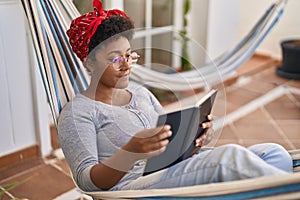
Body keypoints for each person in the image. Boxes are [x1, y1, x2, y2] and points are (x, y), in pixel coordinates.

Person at [58, 0, 293, 192]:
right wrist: (130, 153)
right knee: (229, 159)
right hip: (132, 187)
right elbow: (86, 181)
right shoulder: (78, 113)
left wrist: (195, 137)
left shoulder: (141, 93)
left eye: (129, 55)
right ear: (89, 62)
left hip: (173, 170)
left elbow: (169, 145)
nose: (127, 65)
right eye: (115, 59)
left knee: (275, 153)